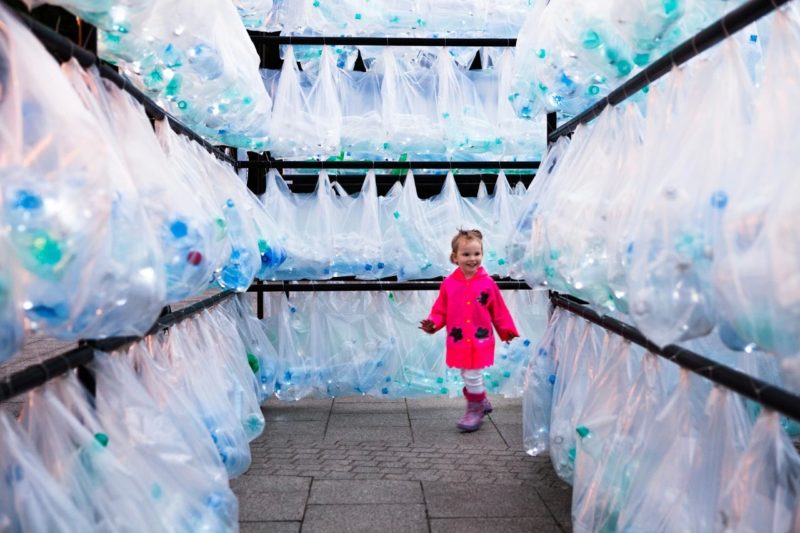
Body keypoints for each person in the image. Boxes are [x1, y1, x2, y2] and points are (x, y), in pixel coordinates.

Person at [419, 229, 519, 432]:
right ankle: (481, 400)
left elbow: (499, 309)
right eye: (466, 254)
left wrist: (507, 330)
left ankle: (475, 410)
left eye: (477, 254)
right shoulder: (448, 284)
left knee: (472, 374)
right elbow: (440, 310)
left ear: (482, 254)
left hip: (480, 338)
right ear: (455, 258)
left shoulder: (488, 283)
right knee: (467, 373)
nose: (472, 259)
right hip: (458, 338)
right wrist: (433, 323)